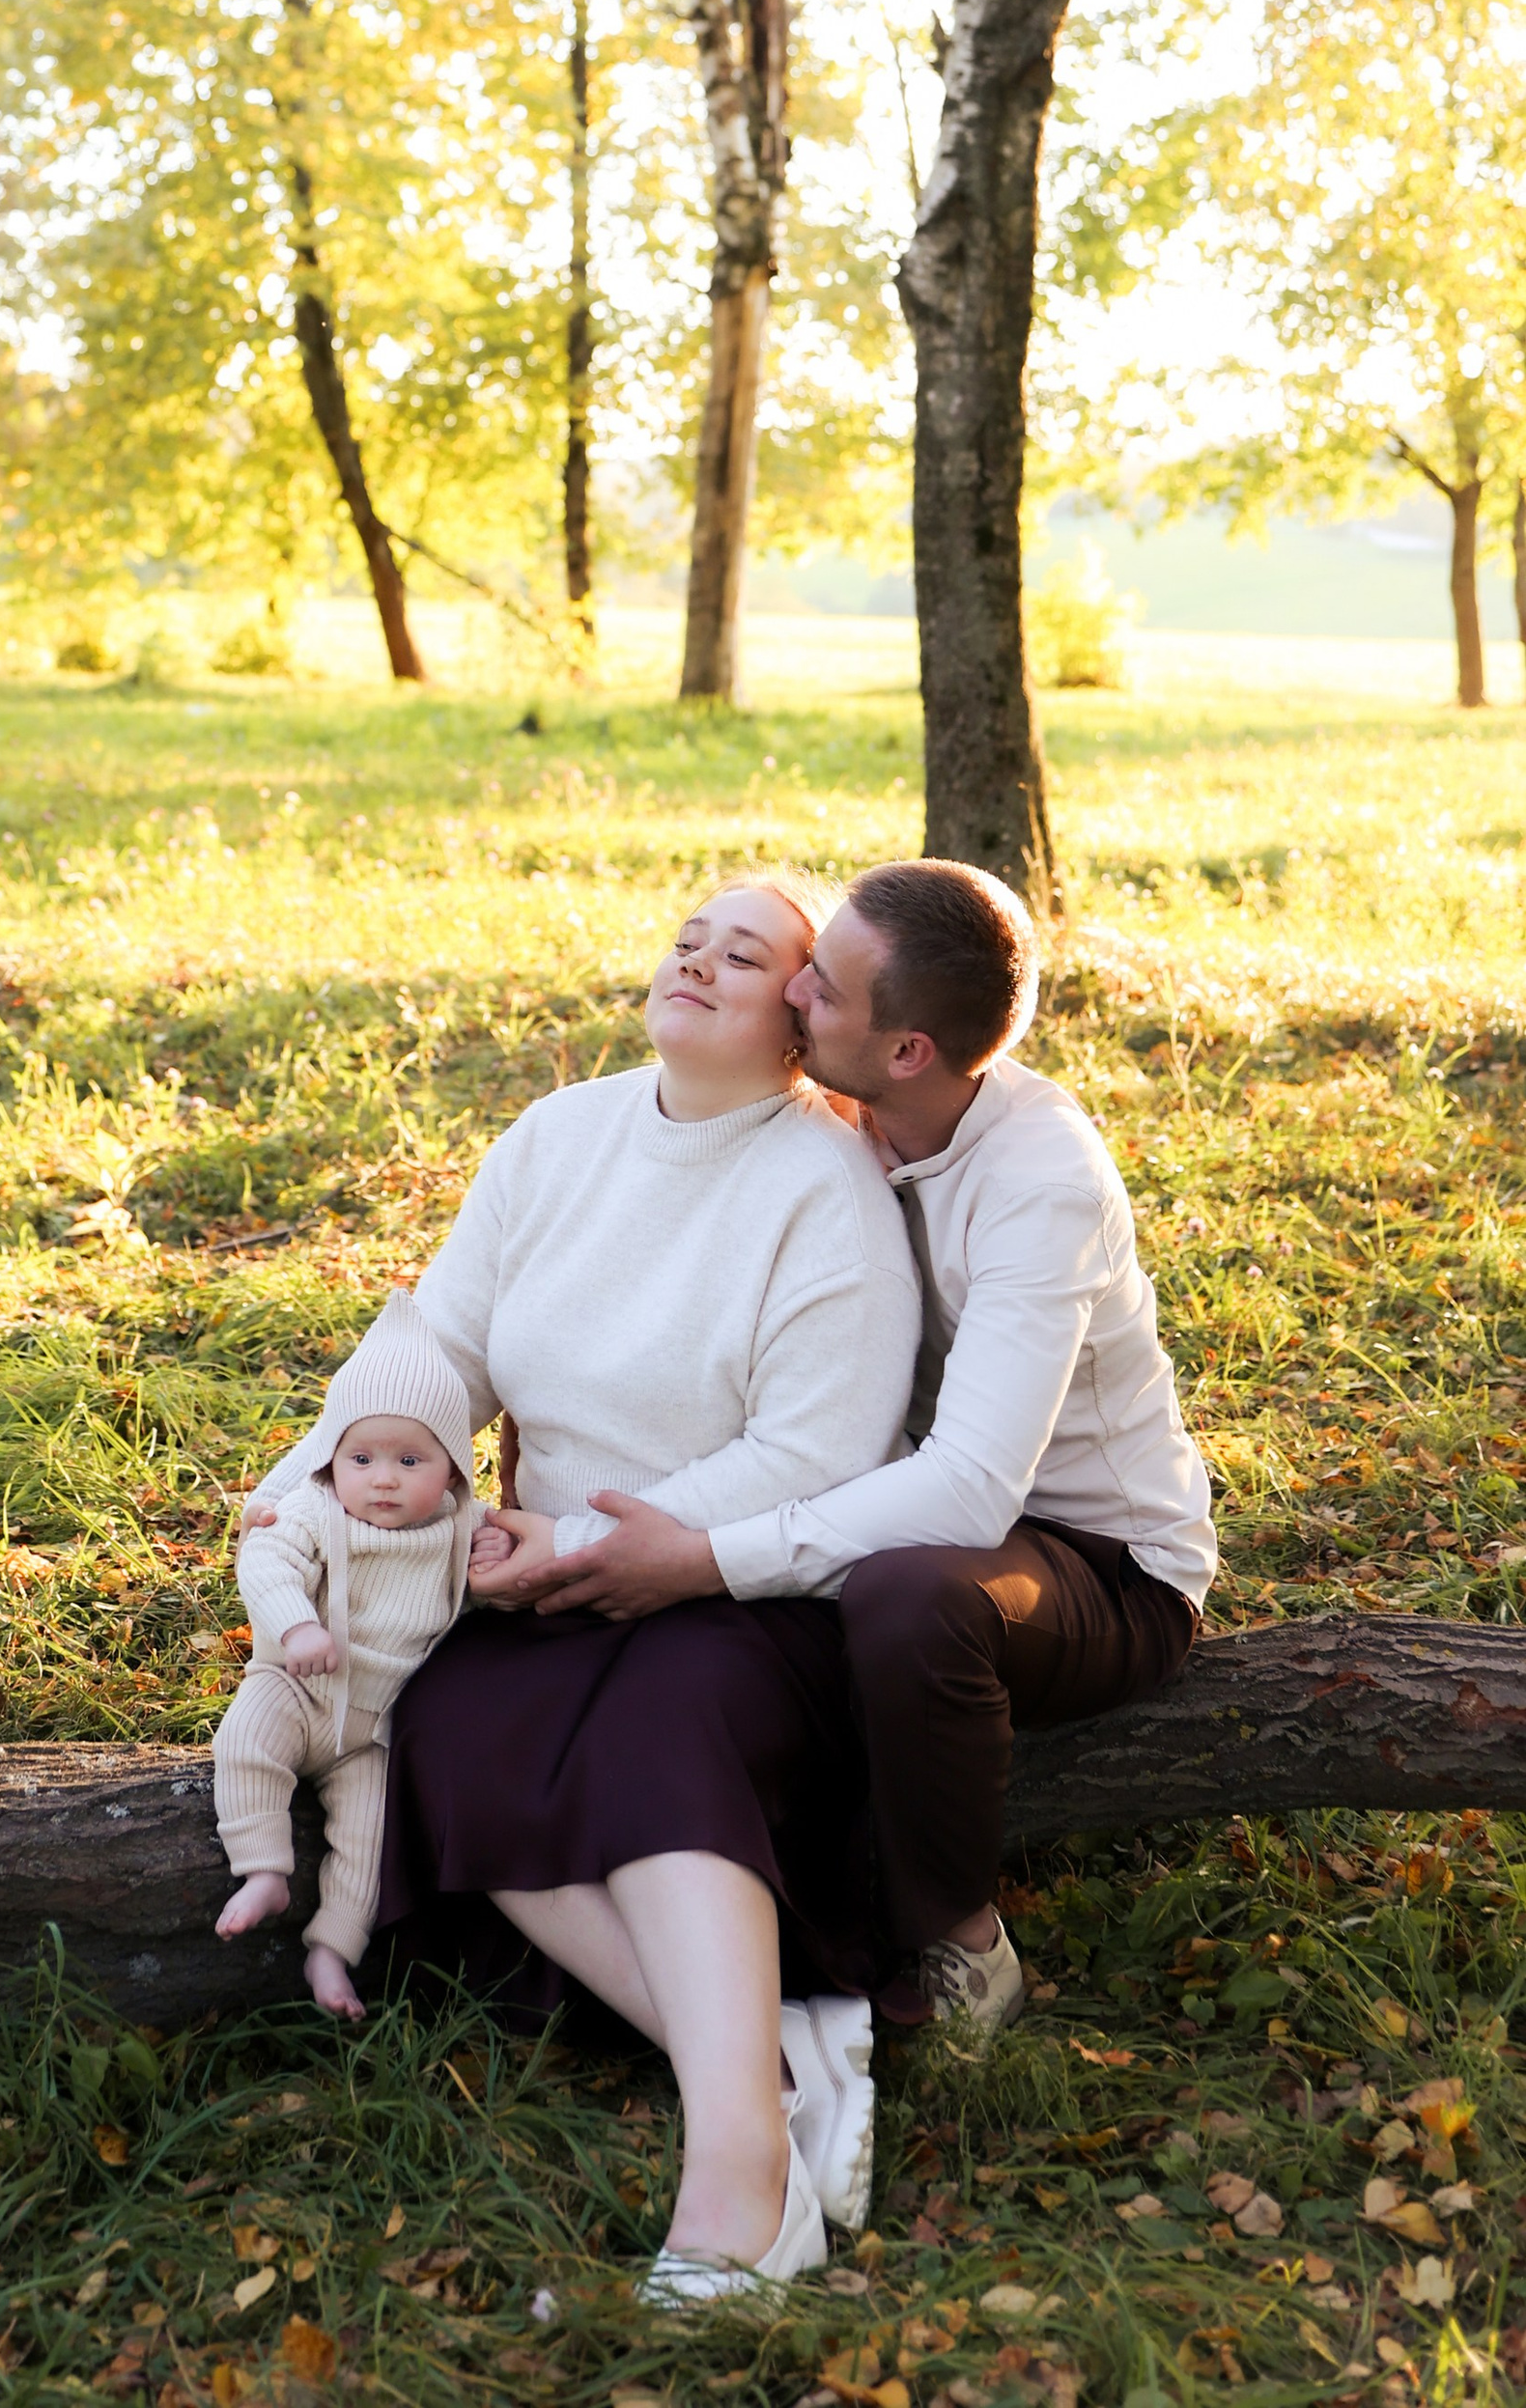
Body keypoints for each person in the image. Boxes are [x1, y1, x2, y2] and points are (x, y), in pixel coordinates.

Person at [333, 880, 924, 2307]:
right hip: (541, 1568)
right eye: (685, 941)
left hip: (746, 1582)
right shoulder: (558, 1138)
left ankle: (741, 2175)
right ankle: (787, 2053)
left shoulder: (822, 1187)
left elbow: (814, 1452)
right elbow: (443, 1351)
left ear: (801, 1020)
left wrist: (622, 1549)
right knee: (456, 1734)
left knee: (661, 1734)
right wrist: (322, 1482)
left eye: (745, 955)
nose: (698, 962)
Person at [544, 859, 1215, 2039]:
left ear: (906, 1051)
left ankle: (959, 1939)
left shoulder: (1036, 1178)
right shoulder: (844, 1110)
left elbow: (967, 1492)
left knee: (906, 1595)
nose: (793, 990)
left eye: (823, 986)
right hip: (890, 1492)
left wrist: (706, 1555)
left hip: (1090, 1562)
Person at [212, 1296, 487, 2023]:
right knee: (245, 1741)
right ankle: (265, 1867)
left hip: (374, 1726)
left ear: (454, 1471)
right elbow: (265, 1562)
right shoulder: (313, 1507)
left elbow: (487, 1581)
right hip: (297, 1687)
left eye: (410, 1459)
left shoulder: (460, 1525)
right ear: (334, 1455)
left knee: (371, 1836)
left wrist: (499, 1555)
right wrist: (297, 1627)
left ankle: (332, 1948)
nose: (384, 1479)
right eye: (362, 1458)